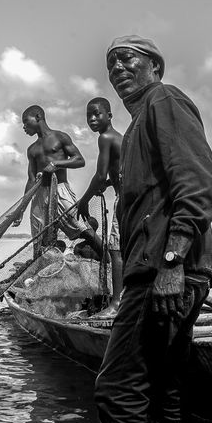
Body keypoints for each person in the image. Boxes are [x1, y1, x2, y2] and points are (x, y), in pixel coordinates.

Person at [94, 35, 212, 423]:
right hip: (162, 271)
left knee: (116, 390)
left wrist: (171, 261)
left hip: (166, 272)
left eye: (127, 59)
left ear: (155, 67)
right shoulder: (134, 128)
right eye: (110, 64)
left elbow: (198, 187)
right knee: (166, 386)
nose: (117, 69)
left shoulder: (164, 101)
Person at [13, 104, 103, 257]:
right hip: (40, 196)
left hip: (61, 191)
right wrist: (21, 209)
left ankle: (109, 261)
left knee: (82, 229)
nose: (24, 127)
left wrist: (56, 164)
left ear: (38, 117)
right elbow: (31, 179)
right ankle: (39, 272)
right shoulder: (32, 149)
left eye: (25, 122)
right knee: (40, 241)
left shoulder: (60, 137)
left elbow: (79, 160)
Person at [77, 97, 124, 317]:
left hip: (125, 199)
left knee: (116, 251)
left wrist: (84, 200)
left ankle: (116, 304)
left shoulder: (106, 137)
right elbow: (115, 171)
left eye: (97, 114)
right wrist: (106, 185)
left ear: (109, 116)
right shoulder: (117, 137)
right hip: (131, 197)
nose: (92, 119)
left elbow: (100, 174)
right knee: (125, 250)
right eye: (89, 115)